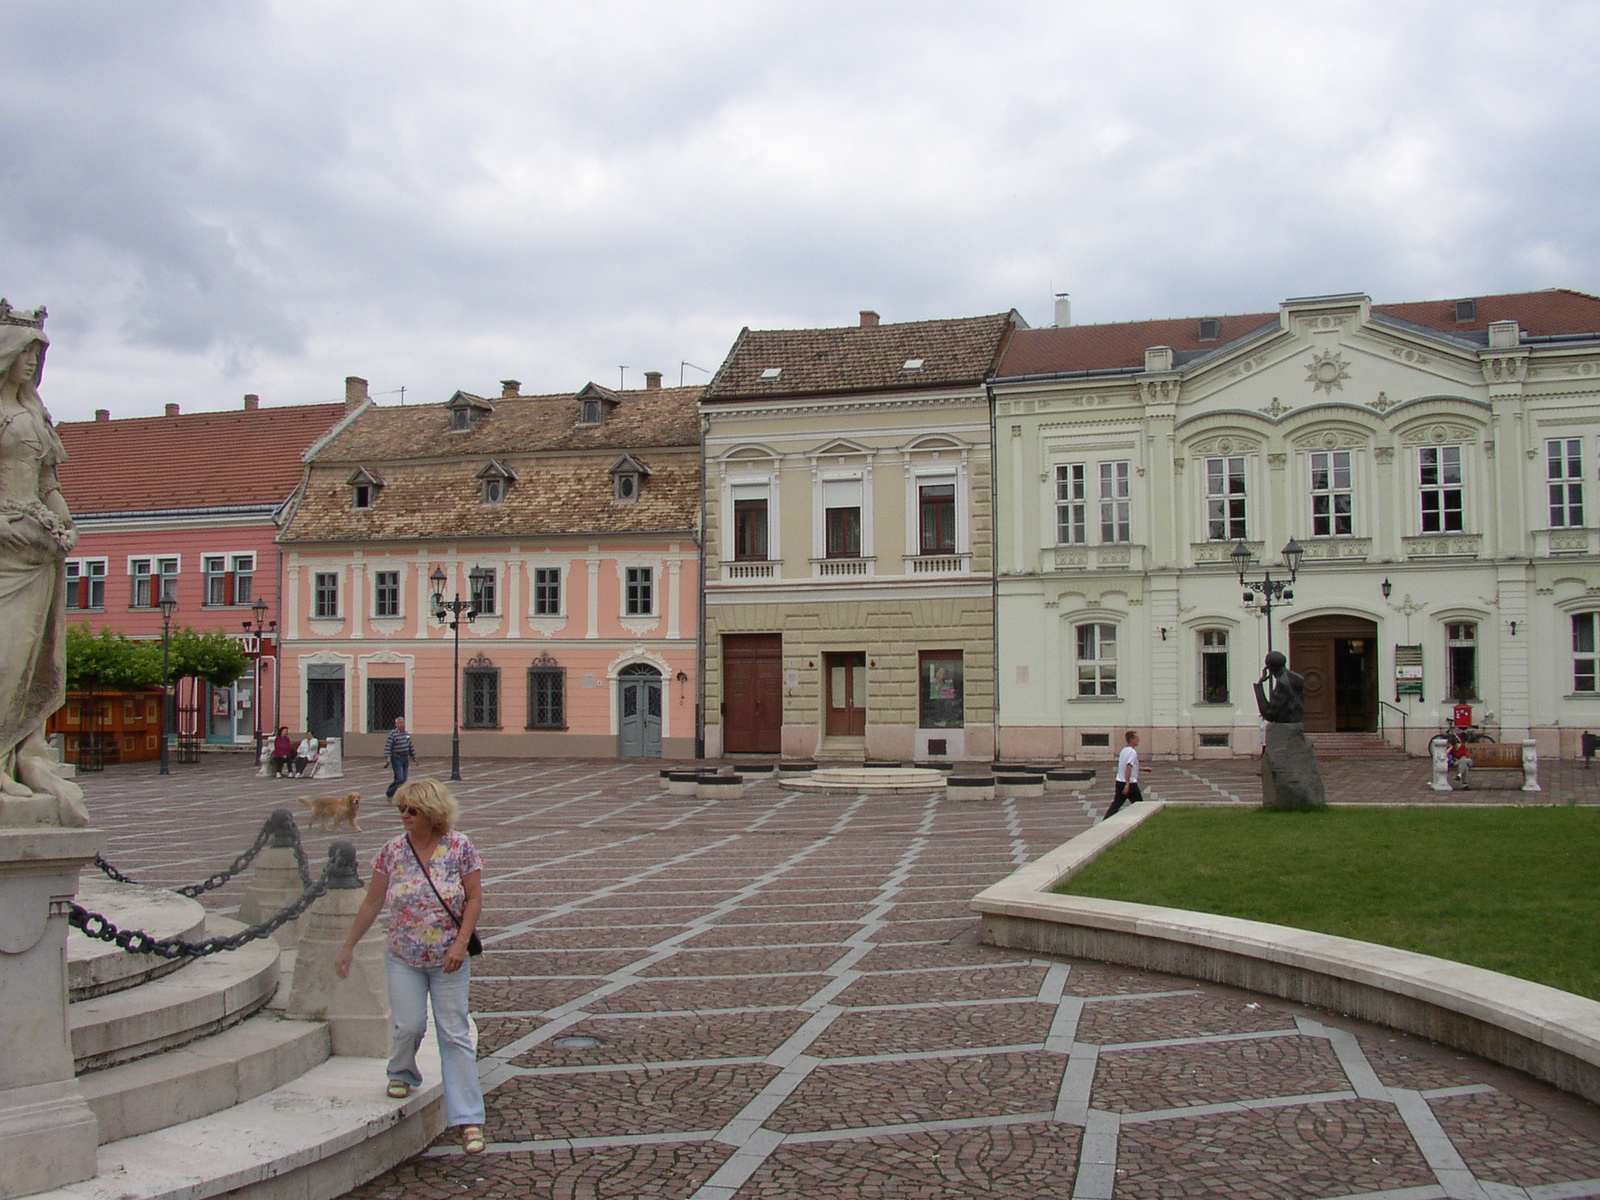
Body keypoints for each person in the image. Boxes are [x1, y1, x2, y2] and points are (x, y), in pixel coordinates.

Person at [335, 778, 485, 1155]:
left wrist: (461, 943)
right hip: (404, 955)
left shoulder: (459, 847)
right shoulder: (392, 852)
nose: (404, 815)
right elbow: (372, 903)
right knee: (409, 1025)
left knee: (454, 1033)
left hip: (449, 959)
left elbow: (474, 898)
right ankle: (402, 1070)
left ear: (432, 813)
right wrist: (348, 946)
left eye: (412, 810)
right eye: (401, 809)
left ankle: (468, 1119)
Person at [0, 311, 88, 825]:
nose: (34, 361)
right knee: (5, 658)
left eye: (40, 353)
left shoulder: (35, 416)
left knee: (32, 660)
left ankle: (21, 754)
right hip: (6, 547)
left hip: (38, 551)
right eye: (27, 350)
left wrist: (66, 526)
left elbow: (49, 484)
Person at [1104, 730, 1142, 818]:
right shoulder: (1132, 752)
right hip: (1130, 784)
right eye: (1137, 738)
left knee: (1115, 806)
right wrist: (1127, 784)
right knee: (1140, 806)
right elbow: (1128, 767)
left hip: (1119, 782)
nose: (1138, 740)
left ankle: (1104, 821)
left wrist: (1143, 769)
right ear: (1132, 740)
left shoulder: (1123, 751)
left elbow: (1126, 766)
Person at [384, 717, 417, 799]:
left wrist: (414, 758)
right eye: (400, 723)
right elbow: (388, 746)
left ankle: (397, 793)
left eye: (403, 723)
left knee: (404, 779)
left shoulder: (406, 734)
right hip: (396, 757)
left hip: (405, 758)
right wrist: (387, 757)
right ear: (396, 724)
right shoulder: (393, 734)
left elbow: (410, 747)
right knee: (400, 778)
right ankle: (390, 792)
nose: (402, 725)